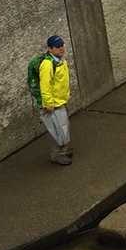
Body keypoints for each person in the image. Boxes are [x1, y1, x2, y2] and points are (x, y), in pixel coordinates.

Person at [39, 35, 72, 166]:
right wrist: (48, 104)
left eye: (62, 45)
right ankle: (57, 155)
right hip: (53, 105)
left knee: (63, 128)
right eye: (58, 46)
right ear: (50, 49)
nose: (61, 48)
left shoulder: (60, 60)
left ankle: (63, 151)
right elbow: (45, 86)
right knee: (56, 131)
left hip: (60, 101)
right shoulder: (47, 65)